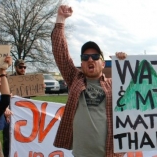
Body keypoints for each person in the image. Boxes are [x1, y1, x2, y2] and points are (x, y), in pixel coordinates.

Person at [51, 5, 126, 157]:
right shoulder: (75, 79)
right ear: (82, 63)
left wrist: (125, 64)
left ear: (103, 63)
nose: (90, 59)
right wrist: (61, 20)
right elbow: (61, 52)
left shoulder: (115, 85)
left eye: (95, 56)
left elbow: (140, 91)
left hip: (110, 154)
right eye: (85, 57)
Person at [2, 59, 26, 157]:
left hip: (23, 112)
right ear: (16, 67)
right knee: (8, 137)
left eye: (24, 67)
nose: (23, 69)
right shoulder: (9, 80)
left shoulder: (30, 80)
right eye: (20, 67)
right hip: (11, 112)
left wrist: (40, 88)